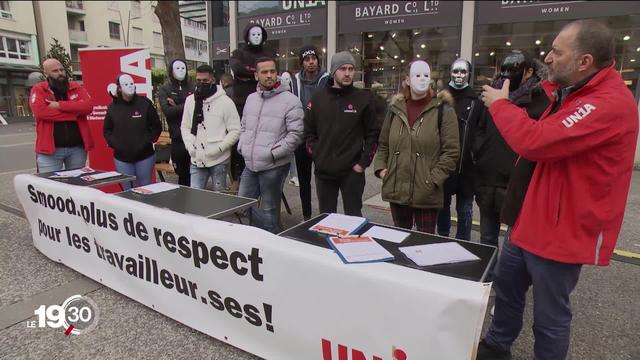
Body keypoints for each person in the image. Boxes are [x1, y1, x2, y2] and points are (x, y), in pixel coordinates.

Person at [477, 20, 639, 360]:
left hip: (561, 231)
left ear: (585, 62)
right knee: (507, 292)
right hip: (529, 220)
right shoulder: (569, 91)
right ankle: (496, 346)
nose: (546, 58)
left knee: (549, 319)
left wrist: (500, 105)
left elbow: (535, 141)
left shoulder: (608, 103)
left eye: (556, 52)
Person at [471, 50, 545, 253]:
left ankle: (507, 281)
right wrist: (479, 152)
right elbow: (477, 129)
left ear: (528, 72)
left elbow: (538, 140)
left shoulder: (539, 100)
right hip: (488, 177)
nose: (505, 75)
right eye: (502, 69)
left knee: (515, 244)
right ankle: (488, 279)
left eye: (511, 70)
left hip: (516, 183)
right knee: (487, 237)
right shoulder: (488, 97)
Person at [374, 60, 459, 234]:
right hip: (398, 189)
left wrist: (433, 179)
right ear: (407, 80)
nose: (422, 79)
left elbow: (451, 152)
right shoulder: (395, 109)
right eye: (417, 75)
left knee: (424, 245)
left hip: (426, 192)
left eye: (426, 75)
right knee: (399, 238)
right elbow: (383, 144)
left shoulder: (443, 110)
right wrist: (383, 170)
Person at [304, 51, 380, 217]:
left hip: (352, 172)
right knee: (326, 218)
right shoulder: (318, 98)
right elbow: (308, 132)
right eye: (342, 69)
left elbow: (373, 134)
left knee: (353, 217)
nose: (347, 73)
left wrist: (362, 163)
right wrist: (317, 155)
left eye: (351, 69)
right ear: (333, 71)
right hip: (324, 172)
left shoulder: (363, 99)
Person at [238, 57, 304, 233]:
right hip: (250, 164)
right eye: (264, 72)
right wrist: (242, 146)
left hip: (274, 166)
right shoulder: (251, 99)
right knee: (241, 207)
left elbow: (296, 135)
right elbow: (243, 126)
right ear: (256, 75)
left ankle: (273, 244)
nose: (269, 75)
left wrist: (273, 153)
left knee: (269, 212)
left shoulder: (290, 101)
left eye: (272, 71)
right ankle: (251, 241)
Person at [436, 59, 481, 240]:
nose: (459, 75)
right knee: (442, 206)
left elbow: (481, 131)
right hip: (445, 164)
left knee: (465, 208)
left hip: (468, 167)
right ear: (450, 73)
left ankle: (464, 242)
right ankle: (442, 238)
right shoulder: (440, 100)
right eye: (456, 71)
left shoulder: (477, 102)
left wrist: (475, 153)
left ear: (469, 74)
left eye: (463, 72)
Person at [181, 65, 240, 191]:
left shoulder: (225, 102)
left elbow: (235, 130)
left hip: (219, 159)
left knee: (219, 200)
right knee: (195, 198)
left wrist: (220, 148)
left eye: (205, 81)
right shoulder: (190, 101)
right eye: (198, 80)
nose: (201, 83)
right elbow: (185, 126)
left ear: (213, 80)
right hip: (196, 158)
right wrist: (189, 145)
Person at [31, 58, 94, 173]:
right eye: (55, 71)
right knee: (48, 185)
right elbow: (41, 112)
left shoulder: (76, 87)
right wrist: (74, 114)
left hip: (77, 149)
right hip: (50, 151)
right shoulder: (39, 89)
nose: (60, 73)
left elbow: (88, 107)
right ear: (46, 73)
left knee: (76, 184)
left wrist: (59, 105)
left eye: (61, 70)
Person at [229, 24, 271, 190]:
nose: (256, 37)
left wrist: (249, 74)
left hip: (264, 102)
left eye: (259, 34)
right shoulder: (239, 53)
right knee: (240, 141)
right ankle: (237, 179)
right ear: (247, 35)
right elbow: (237, 68)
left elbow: (270, 72)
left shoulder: (267, 53)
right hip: (241, 103)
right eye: (253, 34)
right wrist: (256, 74)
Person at [103, 74, 162, 190]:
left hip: (145, 155)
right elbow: (107, 130)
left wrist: (147, 141)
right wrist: (116, 144)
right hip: (122, 158)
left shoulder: (145, 103)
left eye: (131, 84)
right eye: (126, 84)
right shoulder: (112, 108)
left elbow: (156, 126)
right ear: (119, 88)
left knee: (146, 188)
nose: (130, 86)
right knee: (128, 189)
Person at [291, 45, 330, 220]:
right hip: (302, 138)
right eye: (307, 59)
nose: (311, 62)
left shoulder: (327, 79)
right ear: (302, 62)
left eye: (313, 58)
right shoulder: (294, 81)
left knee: (323, 180)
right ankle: (306, 216)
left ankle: (326, 216)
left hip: (322, 138)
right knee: (304, 180)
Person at [158, 59, 194, 186]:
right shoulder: (165, 88)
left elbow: (197, 107)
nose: (180, 71)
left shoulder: (192, 86)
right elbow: (168, 111)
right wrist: (187, 104)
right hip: (177, 137)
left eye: (183, 68)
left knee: (194, 172)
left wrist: (177, 104)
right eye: (177, 68)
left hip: (193, 136)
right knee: (181, 172)